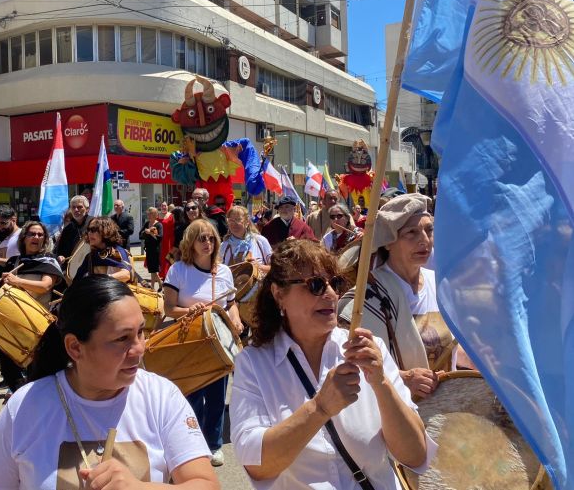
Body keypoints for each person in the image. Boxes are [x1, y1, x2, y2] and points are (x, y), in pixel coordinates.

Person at [0, 275, 219, 490]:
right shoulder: (25, 407)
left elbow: (206, 484)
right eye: (122, 338)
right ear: (74, 347)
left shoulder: (161, 396)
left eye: (141, 332)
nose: (139, 349)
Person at [230, 239, 432, 489]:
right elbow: (257, 465)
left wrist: (381, 384)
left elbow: (415, 454)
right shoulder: (253, 364)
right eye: (315, 285)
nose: (331, 294)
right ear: (279, 294)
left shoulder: (372, 349)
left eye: (334, 283)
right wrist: (320, 408)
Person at [338, 194, 466, 399]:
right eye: (412, 233)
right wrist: (404, 379)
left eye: (429, 230)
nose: (424, 240)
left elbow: (453, 346)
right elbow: (350, 364)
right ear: (388, 242)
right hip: (395, 413)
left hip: (444, 408)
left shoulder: (440, 285)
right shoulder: (367, 296)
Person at [163, 219, 241, 467]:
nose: (207, 243)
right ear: (191, 242)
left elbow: (231, 304)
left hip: (218, 342)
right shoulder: (178, 270)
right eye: (201, 238)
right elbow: (168, 308)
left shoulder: (224, 271)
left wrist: (236, 320)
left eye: (211, 238)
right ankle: (191, 445)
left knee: (217, 397)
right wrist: (188, 311)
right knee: (192, 396)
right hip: (189, 342)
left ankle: (214, 445)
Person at [0, 221, 64, 394]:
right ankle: (20, 396)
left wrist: (17, 281)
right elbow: (3, 290)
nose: (36, 237)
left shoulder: (49, 260)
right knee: (9, 370)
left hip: (38, 325)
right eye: (32, 234)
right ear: (24, 237)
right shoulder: (14, 262)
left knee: (39, 373)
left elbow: (45, 286)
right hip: (13, 323)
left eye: (40, 235)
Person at [74, 217, 134, 283]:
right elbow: (77, 281)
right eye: (88, 230)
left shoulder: (117, 252)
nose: (89, 233)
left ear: (106, 231)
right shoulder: (91, 256)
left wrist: (101, 280)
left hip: (119, 292)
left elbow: (126, 275)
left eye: (93, 229)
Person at [219, 206, 272, 274]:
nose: (234, 224)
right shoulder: (224, 246)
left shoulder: (260, 241)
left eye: (238, 220)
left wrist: (259, 266)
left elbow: (274, 268)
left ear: (247, 222)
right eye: (231, 220)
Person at [54, 195, 92, 263]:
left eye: (79, 207)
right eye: (73, 207)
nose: (76, 210)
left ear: (87, 209)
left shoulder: (95, 224)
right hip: (73, 266)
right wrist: (61, 256)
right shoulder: (68, 229)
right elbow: (60, 251)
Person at [140, 207, 163, 291]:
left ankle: (153, 288)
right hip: (148, 248)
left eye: (151, 213)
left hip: (155, 249)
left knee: (153, 269)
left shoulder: (159, 225)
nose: (149, 215)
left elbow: (160, 237)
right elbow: (140, 235)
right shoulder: (147, 223)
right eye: (148, 213)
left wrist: (151, 232)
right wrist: (145, 232)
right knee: (152, 269)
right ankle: (159, 284)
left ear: (156, 215)